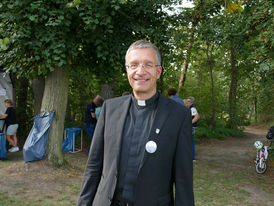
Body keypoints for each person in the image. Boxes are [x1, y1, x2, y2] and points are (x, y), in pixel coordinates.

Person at [78, 40, 194, 206]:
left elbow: (183, 180)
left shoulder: (178, 115)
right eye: (134, 65)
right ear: (127, 70)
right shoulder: (110, 109)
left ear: (158, 71)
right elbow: (93, 167)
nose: (140, 71)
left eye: (148, 65)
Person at [185, 96, 199, 161]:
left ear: (192, 103)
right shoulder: (187, 108)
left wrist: (189, 123)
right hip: (188, 127)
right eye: (187, 101)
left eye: (189, 101)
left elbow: (196, 117)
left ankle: (192, 158)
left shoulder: (192, 109)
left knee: (190, 142)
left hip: (191, 127)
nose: (187, 102)